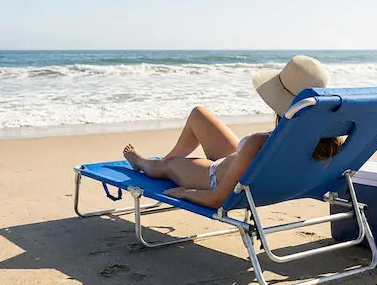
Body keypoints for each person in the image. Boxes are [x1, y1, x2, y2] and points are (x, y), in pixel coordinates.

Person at [123, 55, 344, 208]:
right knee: (199, 114)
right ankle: (164, 164)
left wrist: (184, 192)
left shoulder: (258, 143)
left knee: (170, 165)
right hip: (243, 164)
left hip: (215, 176)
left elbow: (217, 199)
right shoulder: (332, 143)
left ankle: (146, 164)